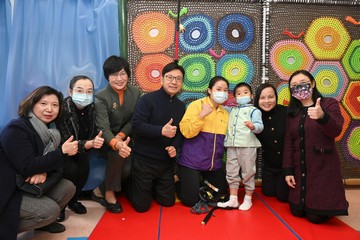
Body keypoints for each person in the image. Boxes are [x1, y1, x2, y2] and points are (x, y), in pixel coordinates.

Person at [0, 86, 76, 239]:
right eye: (43, 104)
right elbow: (26, 166)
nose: (49, 109)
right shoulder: (16, 129)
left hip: (26, 181)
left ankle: (43, 224)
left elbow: (55, 164)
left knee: (68, 188)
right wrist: (61, 152)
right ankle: (5, 228)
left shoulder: (51, 131)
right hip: (9, 187)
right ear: (31, 104)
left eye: (55, 105)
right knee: (50, 211)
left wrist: (43, 170)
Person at [283, 69, 348, 223]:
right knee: (296, 211)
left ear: (312, 83)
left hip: (323, 169)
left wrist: (322, 117)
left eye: (303, 83)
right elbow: (288, 143)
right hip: (300, 170)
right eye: (294, 86)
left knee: (316, 217)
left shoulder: (329, 103)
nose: (299, 88)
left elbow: (336, 130)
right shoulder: (292, 112)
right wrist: (288, 170)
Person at [126, 61, 186, 212]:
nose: (174, 82)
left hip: (166, 164)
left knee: (168, 202)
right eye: (170, 77)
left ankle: (150, 187)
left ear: (182, 82)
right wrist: (161, 131)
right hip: (144, 161)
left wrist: (174, 146)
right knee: (142, 207)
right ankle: (127, 184)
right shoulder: (147, 100)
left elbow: (180, 132)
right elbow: (137, 126)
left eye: (178, 78)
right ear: (162, 79)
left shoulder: (180, 106)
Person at [93, 55, 141, 213]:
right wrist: (116, 142)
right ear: (107, 77)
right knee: (118, 155)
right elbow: (103, 127)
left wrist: (121, 136)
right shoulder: (101, 97)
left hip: (125, 137)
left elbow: (134, 120)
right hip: (105, 140)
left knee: (127, 169)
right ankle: (109, 193)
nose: (119, 78)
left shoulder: (136, 92)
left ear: (128, 74)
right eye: (114, 75)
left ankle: (100, 189)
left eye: (122, 73)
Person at [55, 75, 104, 221]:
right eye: (80, 90)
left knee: (84, 170)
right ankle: (61, 206)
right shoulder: (62, 109)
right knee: (71, 171)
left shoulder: (92, 109)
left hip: (81, 150)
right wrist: (88, 144)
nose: (85, 95)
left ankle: (73, 201)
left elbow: (93, 131)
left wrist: (96, 140)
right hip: (63, 151)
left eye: (89, 91)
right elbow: (65, 139)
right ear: (70, 92)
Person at [177, 76, 229, 208]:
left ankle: (199, 184)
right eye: (218, 89)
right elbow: (186, 132)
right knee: (190, 201)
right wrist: (201, 116)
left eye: (225, 90)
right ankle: (180, 181)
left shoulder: (225, 113)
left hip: (213, 165)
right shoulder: (196, 105)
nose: (222, 93)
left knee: (222, 197)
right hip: (191, 162)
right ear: (209, 90)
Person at [217, 82, 263, 211]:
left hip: (247, 146)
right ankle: (233, 199)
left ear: (251, 95)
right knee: (231, 171)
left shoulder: (254, 111)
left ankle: (248, 198)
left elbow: (260, 127)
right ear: (235, 98)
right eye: (238, 93)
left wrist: (253, 126)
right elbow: (219, 107)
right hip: (232, 146)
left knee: (248, 172)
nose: (242, 95)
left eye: (245, 92)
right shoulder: (231, 110)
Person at [254, 83, 289, 202]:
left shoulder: (286, 112)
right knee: (268, 193)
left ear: (276, 97)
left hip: (287, 166)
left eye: (270, 97)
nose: (267, 101)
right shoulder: (254, 116)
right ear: (257, 99)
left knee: (283, 197)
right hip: (269, 165)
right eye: (262, 98)